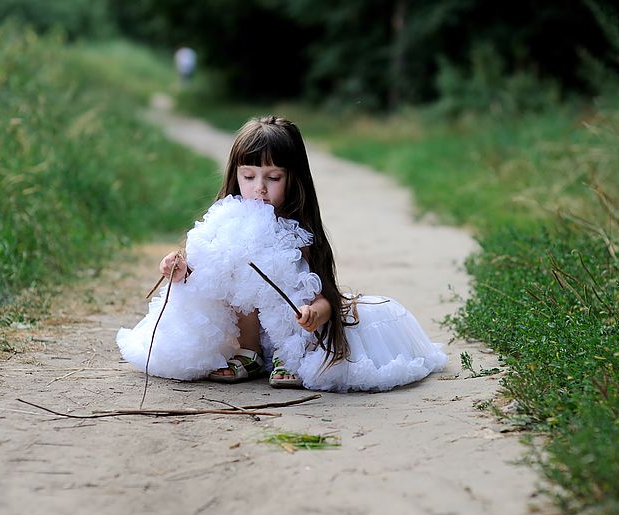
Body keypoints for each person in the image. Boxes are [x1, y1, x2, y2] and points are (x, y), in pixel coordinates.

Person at [117, 116, 447, 392]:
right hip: (242, 335)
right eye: (248, 176)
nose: (259, 187)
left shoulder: (300, 233)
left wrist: (316, 313)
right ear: (236, 175)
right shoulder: (225, 222)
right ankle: (249, 354)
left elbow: (324, 297)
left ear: (293, 179)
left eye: (273, 178)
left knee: (281, 280)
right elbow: (206, 280)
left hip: (294, 339)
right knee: (234, 273)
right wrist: (179, 270)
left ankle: (285, 358)